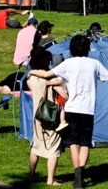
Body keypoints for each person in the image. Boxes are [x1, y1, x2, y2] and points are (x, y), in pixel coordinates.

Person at [29, 34, 108, 189]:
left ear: (72, 49)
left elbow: (47, 74)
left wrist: (32, 72)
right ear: (88, 48)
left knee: (73, 143)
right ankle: (81, 172)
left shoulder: (68, 64)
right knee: (85, 143)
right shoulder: (94, 64)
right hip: (88, 110)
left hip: (72, 109)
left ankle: (77, 173)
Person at [25, 46, 67, 186]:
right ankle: (50, 179)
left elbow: (30, 86)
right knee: (53, 148)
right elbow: (64, 96)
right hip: (51, 116)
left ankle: (31, 175)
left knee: (36, 147)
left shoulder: (31, 79)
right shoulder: (49, 78)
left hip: (37, 115)